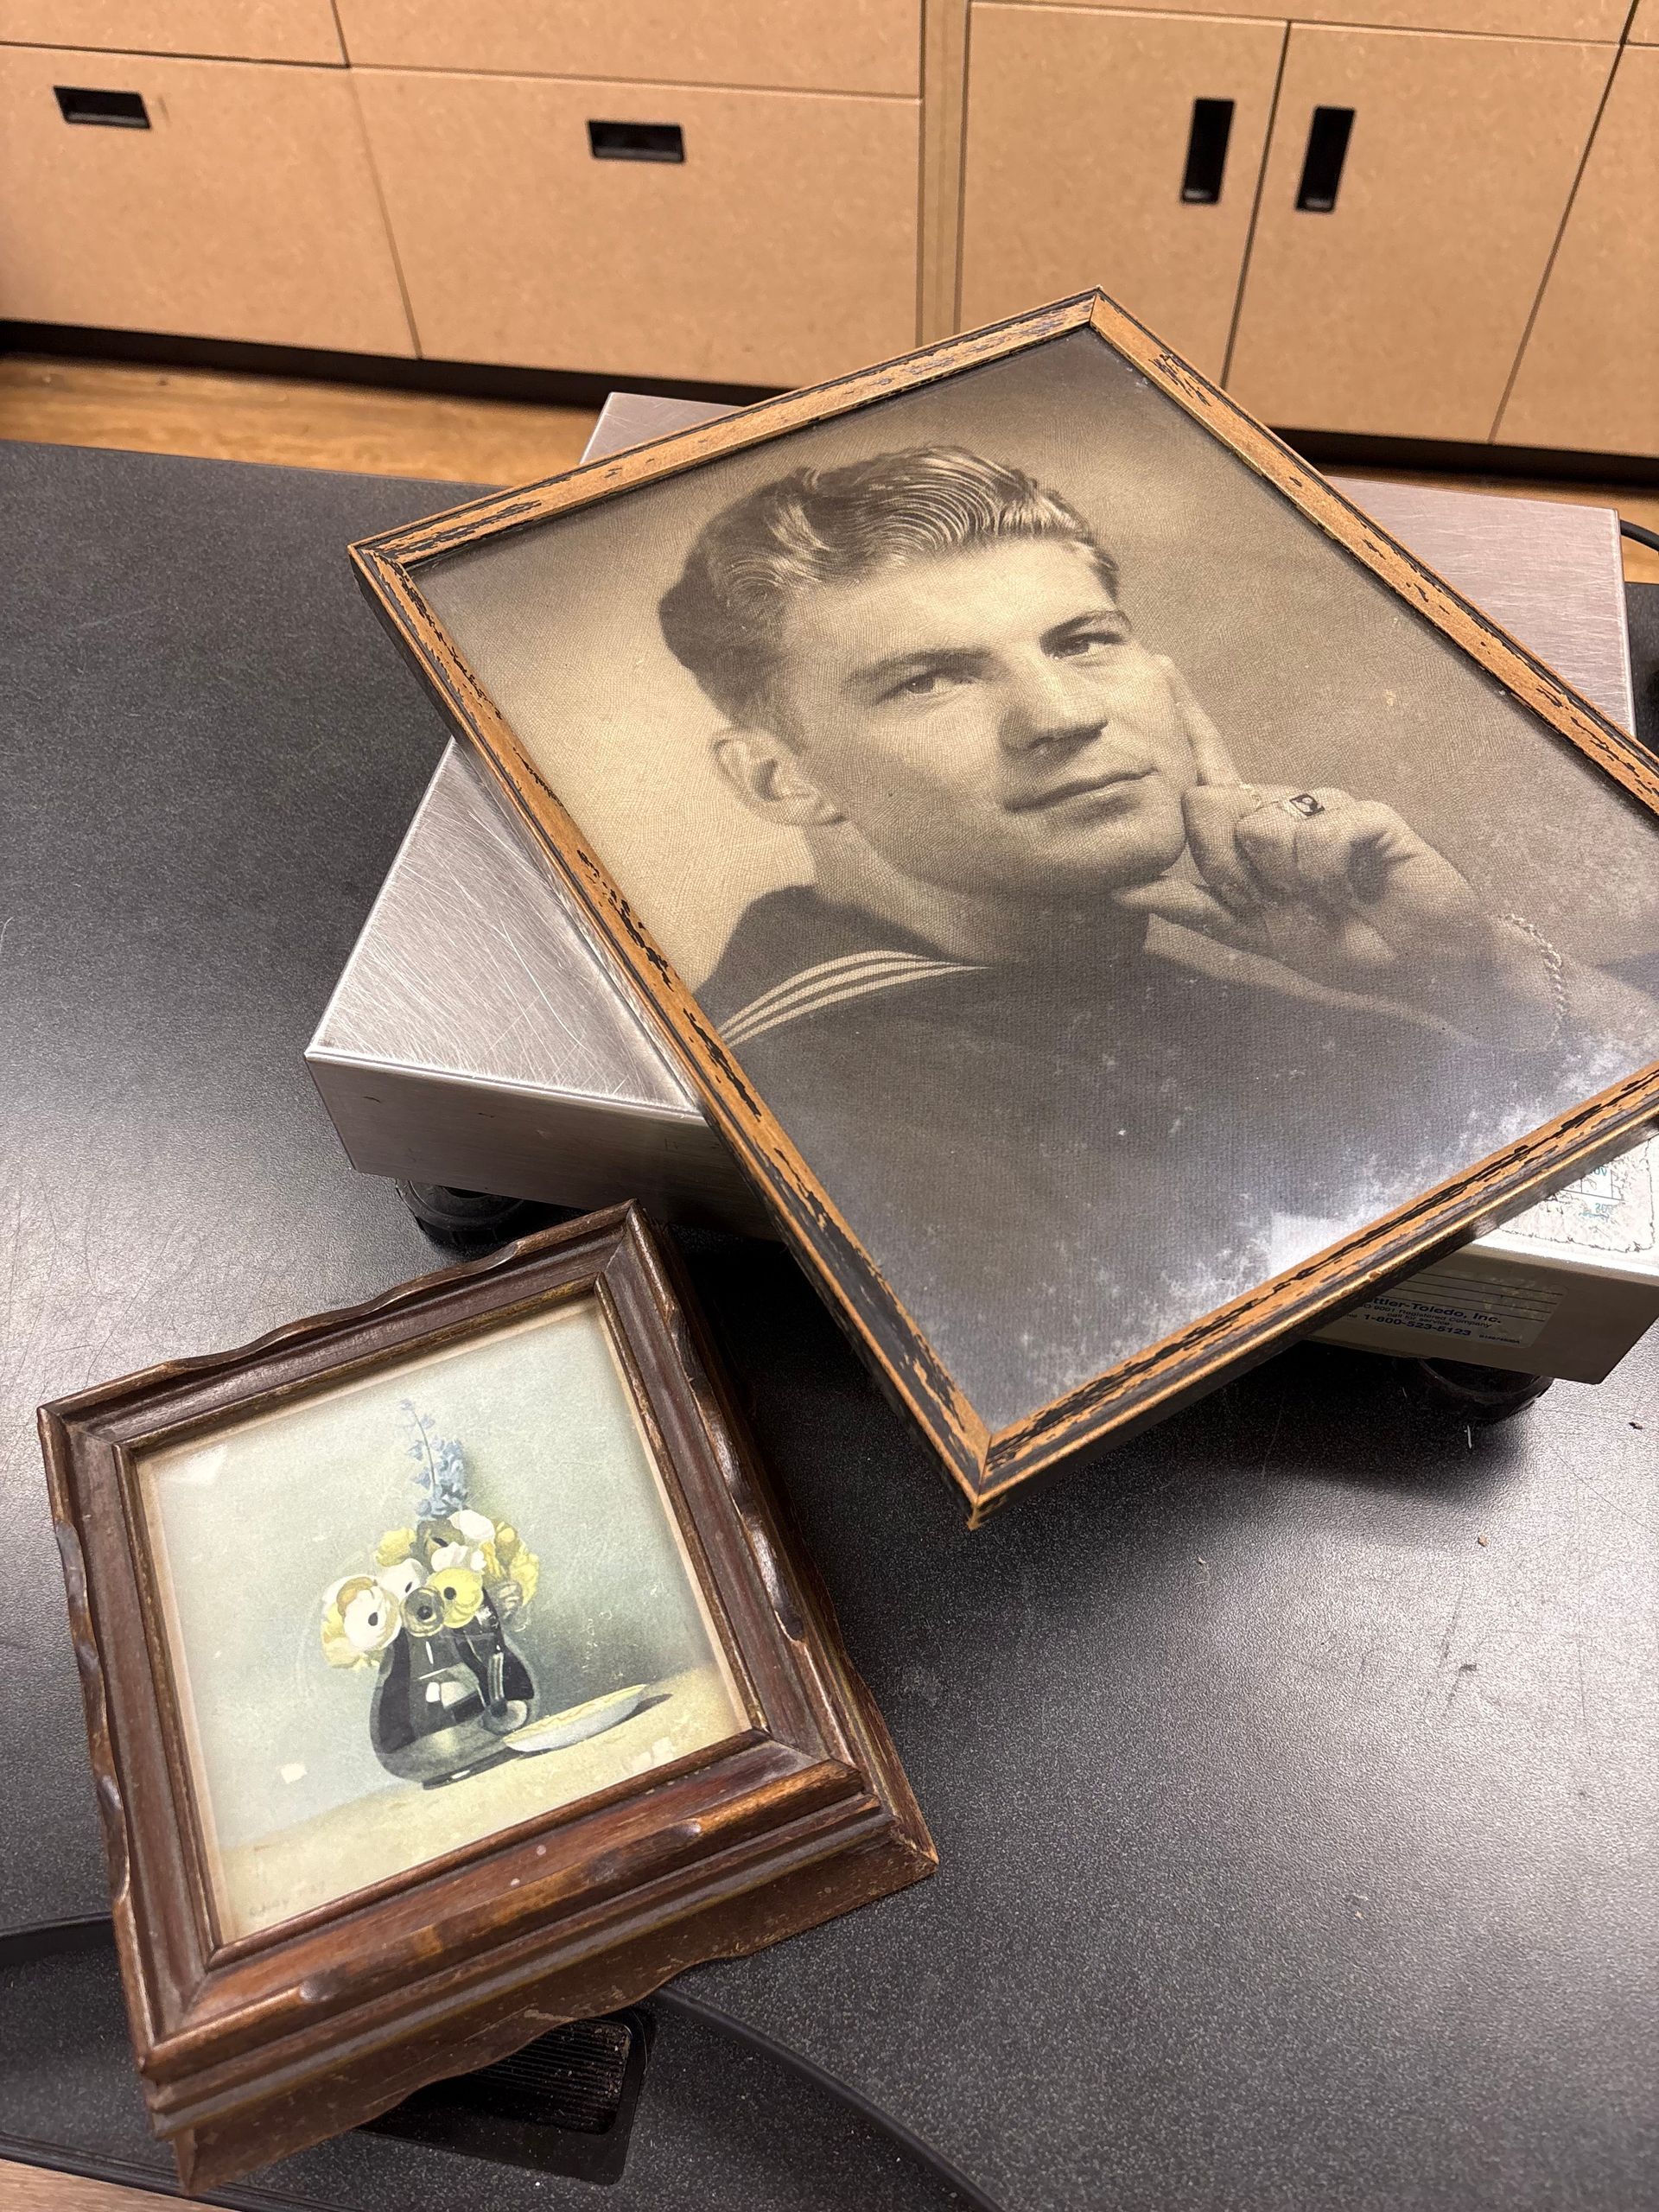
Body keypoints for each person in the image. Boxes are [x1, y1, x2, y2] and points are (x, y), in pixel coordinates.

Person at [658, 446, 1656, 1426]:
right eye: (929, 681)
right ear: (780, 779)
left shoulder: (1093, 983)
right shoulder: (864, 1098)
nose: (1060, 716)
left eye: (1084, 641)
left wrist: (1476, 969)